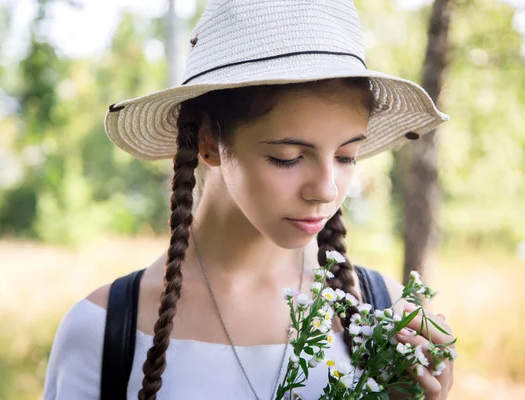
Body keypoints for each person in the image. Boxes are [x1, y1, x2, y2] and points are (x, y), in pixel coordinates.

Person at [43, 0, 455, 399]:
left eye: (347, 156)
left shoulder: (386, 318)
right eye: (288, 157)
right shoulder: (102, 331)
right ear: (208, 141)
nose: (327, 189)